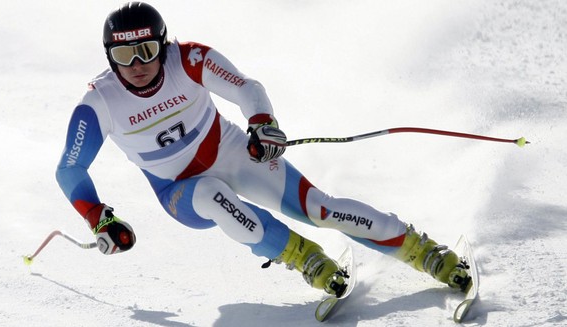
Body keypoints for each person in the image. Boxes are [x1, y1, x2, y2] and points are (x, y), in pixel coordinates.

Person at [56, 1, 471, 298]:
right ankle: (304, 258)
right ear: (109, 58)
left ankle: (422, 251)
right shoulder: (100, 102)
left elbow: (246, 88)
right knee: (213, 198)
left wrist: (261, 124)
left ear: (163, 46)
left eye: (146, 50)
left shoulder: (189, 59)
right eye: (123, 55)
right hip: (179, 191)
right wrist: (98, 218)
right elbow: (70, 171)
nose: (136, 65)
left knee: (319, 209)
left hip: (231, 151)